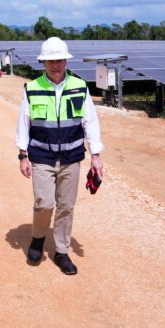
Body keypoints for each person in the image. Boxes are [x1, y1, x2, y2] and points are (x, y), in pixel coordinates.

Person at [15, 37, 104, 276]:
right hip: (42, 156)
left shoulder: (79, 86)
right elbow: (24, 124)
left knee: (66, 206)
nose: (55, 65)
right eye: (50, 61)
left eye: (59, 60)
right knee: (44, 203)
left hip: (71, 157)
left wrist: (96, 155)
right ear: (44, 63)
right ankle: (38, 238)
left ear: (65, 61)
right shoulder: (32, 89)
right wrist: (22, 154)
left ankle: (62, 251)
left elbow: (90, 122)